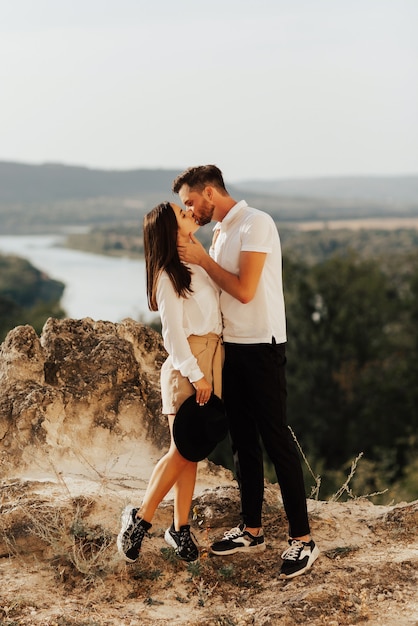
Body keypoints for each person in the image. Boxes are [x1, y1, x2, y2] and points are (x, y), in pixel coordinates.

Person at [172, 165, 319, 579]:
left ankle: (303, 540)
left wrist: (201, 258)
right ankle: (251, 528)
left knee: (276, 440)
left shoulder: (257, 223)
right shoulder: (219, 233)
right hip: (229, 349)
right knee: (242, 442)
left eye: (189, 201)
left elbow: (244, 289)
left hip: (262, 347)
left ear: (209, 193)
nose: (189, 209)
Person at [117, 201, 223, 563]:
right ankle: (140, 520)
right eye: (182, 214)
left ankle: (180, 529)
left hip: (213, 358)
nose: (191, 213)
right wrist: (197, 374)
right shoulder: (167, 274)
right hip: (188, 365)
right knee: (181, 450)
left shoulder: (197, 261)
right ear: (169, 229)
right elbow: (173, 333)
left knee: (192, 453)